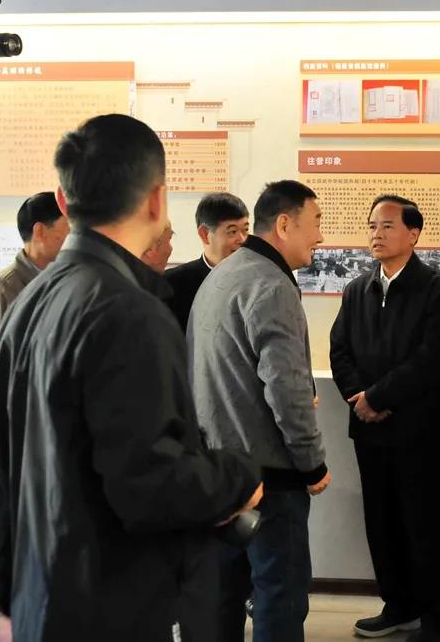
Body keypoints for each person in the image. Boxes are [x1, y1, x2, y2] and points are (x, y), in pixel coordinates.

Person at [0, 114, 263, 642]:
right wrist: (238, 476)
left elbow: (11, 467)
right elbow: (148, 482)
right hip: (111, 606)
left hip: (44, 598)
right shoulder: (129, 311)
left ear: (64, 202)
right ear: (157, 201)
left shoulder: (28, 303)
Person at [189, 180, 330, 642]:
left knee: (224, 594)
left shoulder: (221, 275)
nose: (321, 236)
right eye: (316, 222)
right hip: (269, 476)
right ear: (284, 224)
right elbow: (287, 388)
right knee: (279, 595)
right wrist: (312, 464)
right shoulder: (271, 284)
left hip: (219, 469)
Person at [330, 195, 440, 642]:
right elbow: (339, 350)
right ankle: (398, 606)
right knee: (381, 523)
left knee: (426, 525)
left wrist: (379, 396)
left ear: (413, 233)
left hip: (420, 432)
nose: (376, 233)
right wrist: (359, 398)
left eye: (387, 225)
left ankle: (439, 620)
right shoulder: (357, 289)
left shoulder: (438, 289)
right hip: (370, 430)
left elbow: (433, 358)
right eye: (372, 225)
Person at [0, 192, 68, 436]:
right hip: (16, 433)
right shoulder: (1, 291)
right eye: (69, 228)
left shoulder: (67, 282)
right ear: (40, 231)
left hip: (55, 430)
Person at [166, 192, 250, 331]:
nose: (242, 240)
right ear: (204, 234)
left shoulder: (257, 281)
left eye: (245, 230)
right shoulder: (173, 284)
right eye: (233, 231)